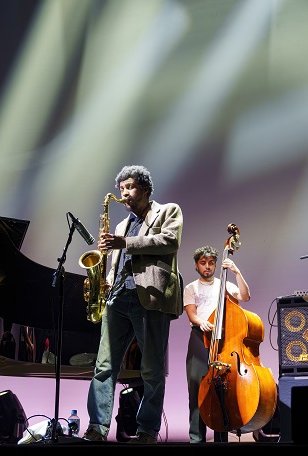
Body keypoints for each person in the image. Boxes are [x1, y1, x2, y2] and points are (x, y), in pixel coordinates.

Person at [82, 165, 183, 444]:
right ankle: (97, 427)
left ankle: (147, 431)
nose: (124, 193)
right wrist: (106, 282)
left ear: (145, 189)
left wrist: (125, 242)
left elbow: (169, 241)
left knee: (151, 370)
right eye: (121, 188)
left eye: (130, 187)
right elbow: (118, 262)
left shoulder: (168, 211)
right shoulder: (120, 225)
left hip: (149, 298)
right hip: (118, 299)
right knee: (104, 367)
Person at [183, 245, 251, 443]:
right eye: (203, 263)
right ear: (196, 266)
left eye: (211, 263)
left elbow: (245, 296)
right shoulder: (191, 288)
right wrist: (201, 322)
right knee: (196, 389)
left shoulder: (225, 285)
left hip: (223, 341)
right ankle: (196, 438)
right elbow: (191, 313)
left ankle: (221, 439)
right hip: (200, 338)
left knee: (222, 389)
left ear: (215, 265)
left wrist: (236, 272)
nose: (207, 266)